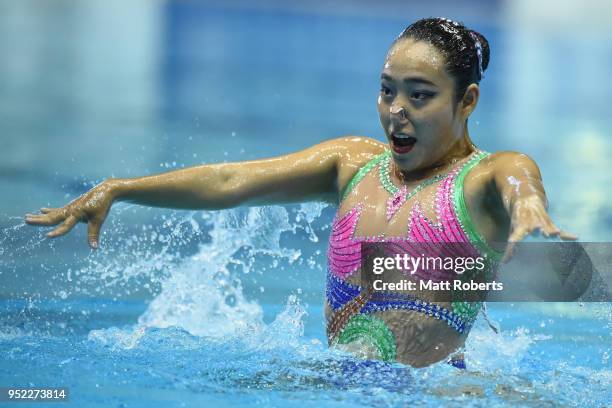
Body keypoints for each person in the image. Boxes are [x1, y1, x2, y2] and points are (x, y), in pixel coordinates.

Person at [24, 17, 578, 368]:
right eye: (387, 91)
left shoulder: (482, 178)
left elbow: (519, 183)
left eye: (420, 95)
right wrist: (120, 189)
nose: (397, 112)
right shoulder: (351, 165)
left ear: (468, 101)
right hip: (339, 382)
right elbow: (230, 181)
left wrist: (529, 212)